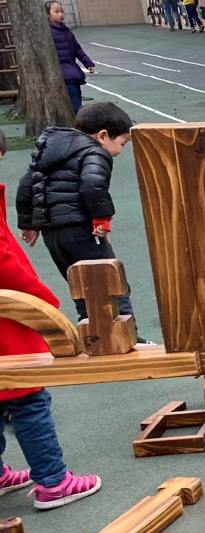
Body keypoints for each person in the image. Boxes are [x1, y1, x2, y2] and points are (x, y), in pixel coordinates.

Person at [0, 133, 102, 510]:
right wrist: (41, 300)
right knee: (28, 399)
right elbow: (5, 263)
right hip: (7, 324)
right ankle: (53, 482)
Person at [16, 102, 141, 331]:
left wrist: (28, 223)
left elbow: (26, 185)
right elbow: (92, 185)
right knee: (110, 280)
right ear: (102, 136)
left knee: (80, 285)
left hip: (52, 233)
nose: (120, 151)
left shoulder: (48, 151)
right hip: (81, 228)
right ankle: (128, 334)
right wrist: (102, 220)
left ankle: (91, 334)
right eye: (122, 143)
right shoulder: (95, 152)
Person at [45, 1, 94, 113]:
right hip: (60, 72)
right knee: (73, 98)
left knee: (76, 94)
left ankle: (77, 115)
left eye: (62, 11)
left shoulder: (66, 30)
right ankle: (77, 115)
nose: (61, 14)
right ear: (48, 14)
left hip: (72, 70)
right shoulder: (47, 31)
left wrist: (88, 63)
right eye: (56, 12)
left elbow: (76, 48)